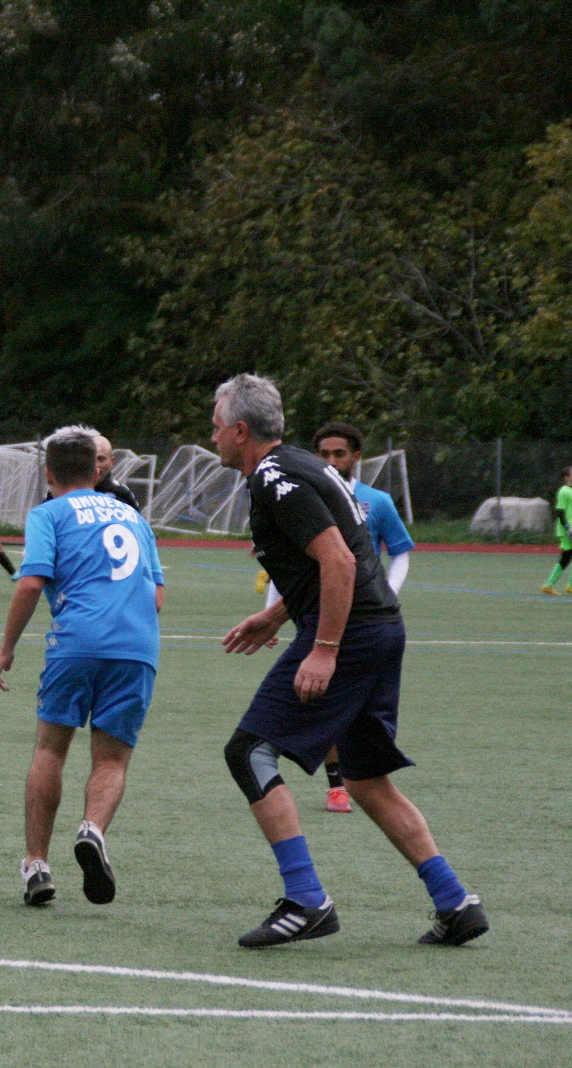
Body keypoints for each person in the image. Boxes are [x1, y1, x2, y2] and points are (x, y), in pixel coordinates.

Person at [212, 373, 486, 948]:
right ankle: (455, 902)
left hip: (353, 635)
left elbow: (337, 562)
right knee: (365, 778)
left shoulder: (275, 475)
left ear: (240, 431)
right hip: (381, 629)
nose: (212, 437)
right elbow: (341, 560)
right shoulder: (304, 468)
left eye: (216, 427)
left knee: (250, 751)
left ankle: (306, 900)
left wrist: (324, 649)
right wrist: (277, 615)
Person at [0, 425, 164, 908]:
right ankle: (92, 830)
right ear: (96, 470)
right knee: (110, 759)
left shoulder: (48, 513)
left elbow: (30, 584)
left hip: (77, 642)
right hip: (137, 646)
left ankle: (37, 864)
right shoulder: (134, 517)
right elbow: (157, 594)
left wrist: (5, 649)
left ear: (49, 474)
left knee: (51, 750)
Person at [301, 421, 416, 814]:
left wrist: (390, 591)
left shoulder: (377, 501)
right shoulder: (307, 498)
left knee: (360, 708)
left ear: (356, 457)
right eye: (324, 454)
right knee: (325, 701)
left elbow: (400, 550)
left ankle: (367, 778)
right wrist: (271, 609)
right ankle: (337, 786)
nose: (331, 461)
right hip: (320, 616)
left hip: (369, 620)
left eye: (339, 453)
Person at [543, 466, 572, 595]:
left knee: (566, 557)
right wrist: (567, 528)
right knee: (566, 557)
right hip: (568, 529)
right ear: (567, 477)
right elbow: (560, 511)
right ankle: (553, 585)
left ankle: (551, 585)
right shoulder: (564, 491)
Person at [93, 435, 140, 509]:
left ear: (111, 462)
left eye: (101, 459)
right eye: (91, 459)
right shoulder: (72, 492)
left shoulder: (122, 493)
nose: (96, 465)